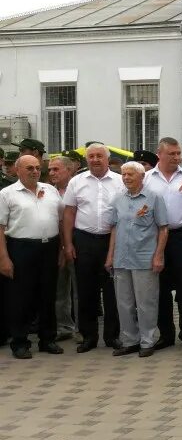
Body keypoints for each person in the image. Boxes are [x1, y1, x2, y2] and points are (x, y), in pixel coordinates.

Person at [62, 143, 125, 353]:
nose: (95, 159)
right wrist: (68, 244)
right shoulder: (76, 182)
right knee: (85, 291)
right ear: (86, 159)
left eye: (100, 156)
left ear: (107, 159)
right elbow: (69, 213)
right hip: (84, 240)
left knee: (112, 292)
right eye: (91, 156)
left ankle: (112, 336)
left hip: (111, 241)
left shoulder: (119, 181)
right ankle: (88, 336)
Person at [0, 155, 64, 358]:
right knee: (21, 297)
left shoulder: (50, 190)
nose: (35, 171)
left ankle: (48, 339)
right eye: (29, 168)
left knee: (48, 295)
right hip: (20, 248)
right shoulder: (7, 194)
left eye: (37, 167)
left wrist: (63, 248)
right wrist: (3, 258)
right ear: (17, 170)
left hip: (49, 247)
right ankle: (20, 342)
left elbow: (61, 221)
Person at [144, 137, 182, 350]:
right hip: (156, 237)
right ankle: (166, 335)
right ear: (159, 154)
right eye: (172, 154)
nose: (177, 157)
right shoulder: (148, 178)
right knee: (159, 288)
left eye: (179, 153)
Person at [105, 161, 168, 357]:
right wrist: (110, 257)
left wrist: (159, 256)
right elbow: (114, 228)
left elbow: (163, 228)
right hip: (121, 258)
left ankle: (147, 341)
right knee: (123, 302)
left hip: (144, 258)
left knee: (145, 302)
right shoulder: (118, 198)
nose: (126, 178)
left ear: (142, 177)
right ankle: (129, 340)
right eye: (123, 174)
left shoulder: (154, 197)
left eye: (130, 174)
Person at [48, 155, 78, 340]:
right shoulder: (47, 191)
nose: (51, 173)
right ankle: (64, 327)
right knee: (59, 289)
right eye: (50, 169)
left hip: (77, 245)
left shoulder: (79, 188)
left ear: (69, 170)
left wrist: (68, 245)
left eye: (56, 169)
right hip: (54, 247)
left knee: (79, 289)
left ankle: (83, 328)